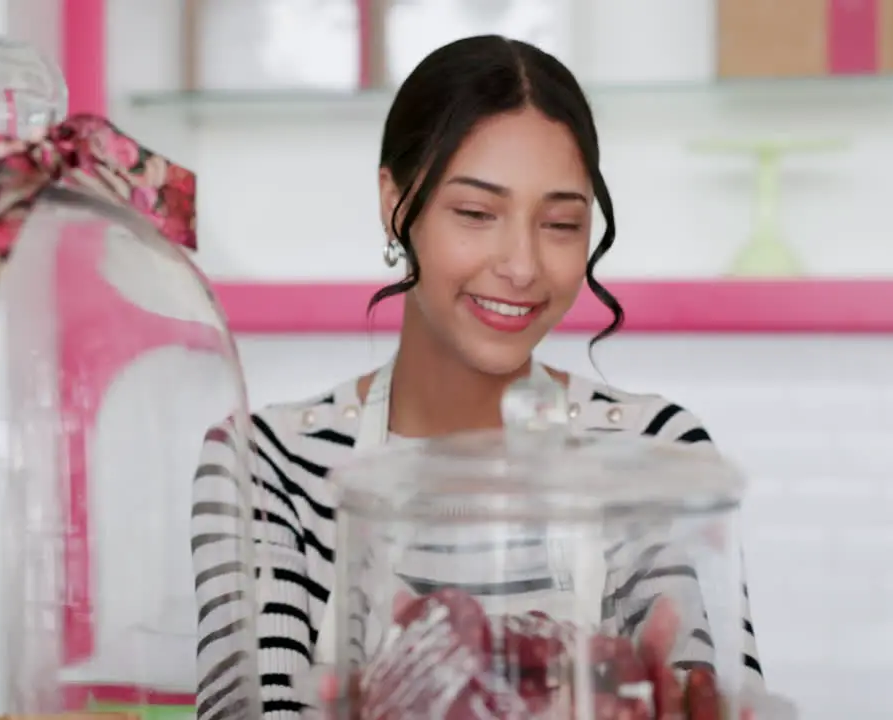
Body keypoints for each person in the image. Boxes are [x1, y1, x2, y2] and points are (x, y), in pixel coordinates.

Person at [191, 35, 764, 719]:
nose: (521, 265)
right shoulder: (268, 465)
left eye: (559, 223)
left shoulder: (656, 454)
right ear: (396, 202)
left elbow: (703, 697)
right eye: (475, 213)